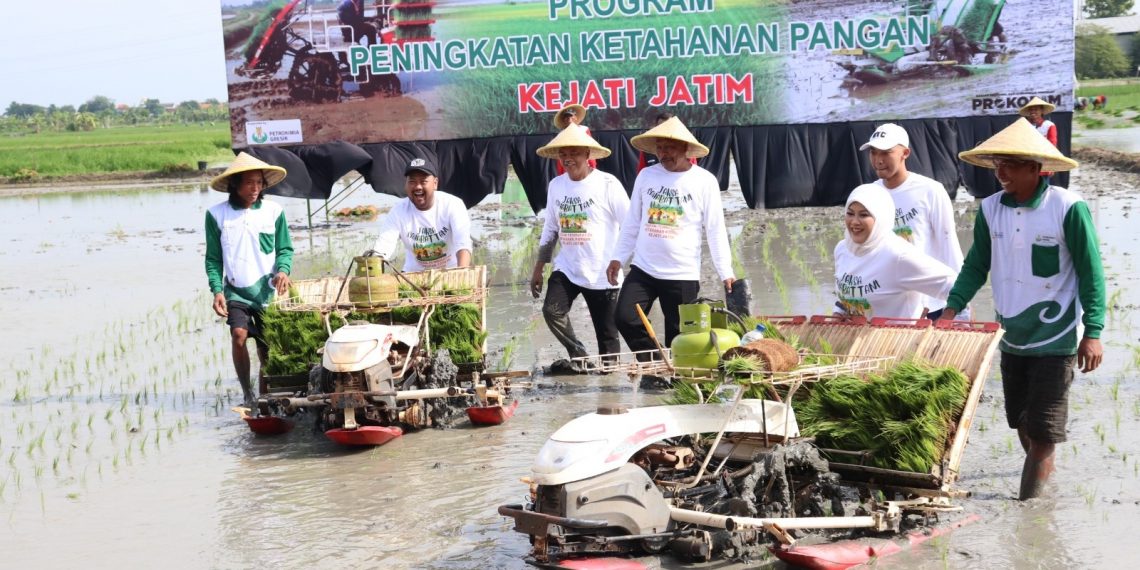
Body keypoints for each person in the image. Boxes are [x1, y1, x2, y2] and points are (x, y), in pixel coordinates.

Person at [940, 118, 1105, 500]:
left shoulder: (1067, 207)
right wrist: (951, 309)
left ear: (1035, 167)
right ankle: (1044, 481)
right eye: (997, 164)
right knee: (1022, 423)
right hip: (1011, 336)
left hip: (1056, 337)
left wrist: (1093, 331)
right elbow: (976, 265)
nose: (1001, 172)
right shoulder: (991, 209)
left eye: (1010, 165)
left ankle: (1027, 512)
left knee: (1044, 432)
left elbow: (1091, 272)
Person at [607, 117, 734, 363]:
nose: (663, 154)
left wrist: (725, 271)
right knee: (625, 318)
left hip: (682, 273)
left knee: (679, 338)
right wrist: (617, 258)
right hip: (644, 268)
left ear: (686, 149)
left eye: (670, 148)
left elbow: (715, 229)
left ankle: (679, 380)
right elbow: (632, 222)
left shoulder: (704, 181)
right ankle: (656, 366)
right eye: (660, 148)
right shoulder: (646, 175)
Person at [530, 125, 630, 370]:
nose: (568, 159)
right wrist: (539, 267)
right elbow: (551, 228)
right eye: (564, 154)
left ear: (587, 154)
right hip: (568, 268)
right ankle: (579, 354)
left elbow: (630, 225)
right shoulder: (556, 185)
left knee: (608, 341)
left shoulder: (607, 184)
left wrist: (620, 260)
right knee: (552, 311)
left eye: (574, 153)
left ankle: (610, 385)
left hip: (602, 272)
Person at [204, 153, 294, 407]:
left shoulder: (274, 211)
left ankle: (266, 396)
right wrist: (217, 290)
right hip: (236, 290)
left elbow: (285, 249)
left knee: (267, 347)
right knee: (239, 335)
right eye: (249, 183)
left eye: (259, 183)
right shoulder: (217, 215)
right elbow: (213, 259)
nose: (255, 188)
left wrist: (283, 270)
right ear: (235, 184)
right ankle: (247, 392)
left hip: (268, 291)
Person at [861, 123, 964, 319]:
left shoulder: (930, 190)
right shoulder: (870, 193)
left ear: (905, 153)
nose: (878, 160)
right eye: (873, 152)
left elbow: (949, 245)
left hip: (929, 305)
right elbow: (865, 252)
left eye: (886, 153)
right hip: (889, 305)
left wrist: (962, 302)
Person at [832, 184, 957, 319]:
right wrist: (838, 313)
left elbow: (954, 285)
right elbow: (845, 295)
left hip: (897, 333)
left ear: (880, 218)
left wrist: (944, 316)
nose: (854, 222)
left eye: (864, 215)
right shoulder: (842, 249)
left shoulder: (897, 255)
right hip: (854, 332)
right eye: (850, 213)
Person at [368, 155, 472, 271]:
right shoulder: (398, 211)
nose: (418, 187)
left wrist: (462, 273)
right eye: (412, 181)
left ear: (435, 183)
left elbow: (462, 243)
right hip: (412, 275)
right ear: (406, 184)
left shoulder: (453, 204)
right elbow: (384, 246)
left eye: (423, 181)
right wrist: (374, 263)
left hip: (450, 271)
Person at [553, 104, 596, 176]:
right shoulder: (561, 133)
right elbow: (560, 155)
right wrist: (561, 172)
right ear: (564, 120)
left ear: (576, 118)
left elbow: (589, 147)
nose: (569, 119)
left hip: (582, 159)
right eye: (566, 118)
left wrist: (592, 165)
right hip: (569, 161)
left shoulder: (584, 129)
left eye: (571, 116)